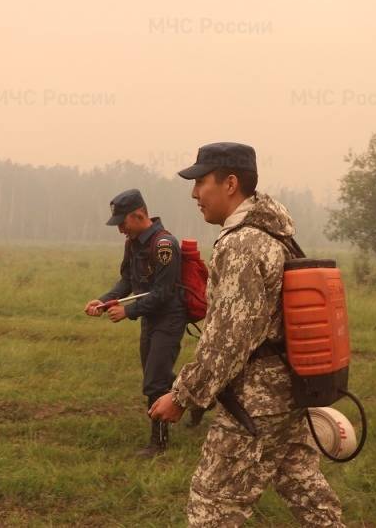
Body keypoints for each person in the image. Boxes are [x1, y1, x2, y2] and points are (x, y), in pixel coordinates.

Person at [149, 142, 344, 527]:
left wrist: (182, 395)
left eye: (201, 182)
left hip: (255, 402)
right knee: (304, 488)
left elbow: (228, 340)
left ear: (230, 183)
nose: (194, 193)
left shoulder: (242, 243)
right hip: (289, 389)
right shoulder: (274, 234)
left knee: (213, 506)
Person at [84, 188, 186, 456]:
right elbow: (127, 282)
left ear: (139, 215)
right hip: (149, 319)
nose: (120, 230)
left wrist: (128, 312)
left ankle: (159, 443)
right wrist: (104, 301)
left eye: (122, 223)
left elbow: (164, 294)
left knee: (154, 382)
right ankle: (201, 396)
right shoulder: (133, 243)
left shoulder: (165, 245)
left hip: (169, 318)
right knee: (159, 375)